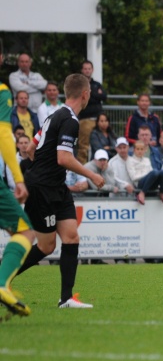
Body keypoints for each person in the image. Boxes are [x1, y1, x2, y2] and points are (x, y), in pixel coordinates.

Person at [15, 73, 105, 309]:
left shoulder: (53, 116)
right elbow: (64, 158)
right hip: (43, 189)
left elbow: (30, 149)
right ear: (85, 95)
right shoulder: (70, 120)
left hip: (56, 187)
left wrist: (42, 170)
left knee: (71, 237)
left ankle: (66, 299)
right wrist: (92, 174)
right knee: (46, 246)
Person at [0, 55, 37, 317]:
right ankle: (2, 285)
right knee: (25, 231)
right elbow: (4, 135)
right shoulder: (2, 92)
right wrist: (19, 179)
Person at [77, 60, 107, 165]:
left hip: (99, 120)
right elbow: (83, 99)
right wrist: (96, 95)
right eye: (85, 68)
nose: (87, 71)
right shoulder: (79, 84)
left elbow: (104, 96)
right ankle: (81, 171)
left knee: (100, 145)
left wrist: (90, 94)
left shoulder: (97, 84)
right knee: (84, 147)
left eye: (89, 68)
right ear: (82, 70)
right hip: (85, 119)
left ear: (92, 70)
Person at [126, 140, 163, 205]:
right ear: (134, 150)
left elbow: (152, 173)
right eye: (138, 149)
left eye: (141, 149)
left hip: (150, 183)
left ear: (145, 150)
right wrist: (147, 174)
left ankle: (161, 193)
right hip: (139, 184)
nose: (140, 151)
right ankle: (142, 193)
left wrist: (149, 175)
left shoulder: (147, 160)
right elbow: (133, 177)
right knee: (155, 172)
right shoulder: (130, 160)